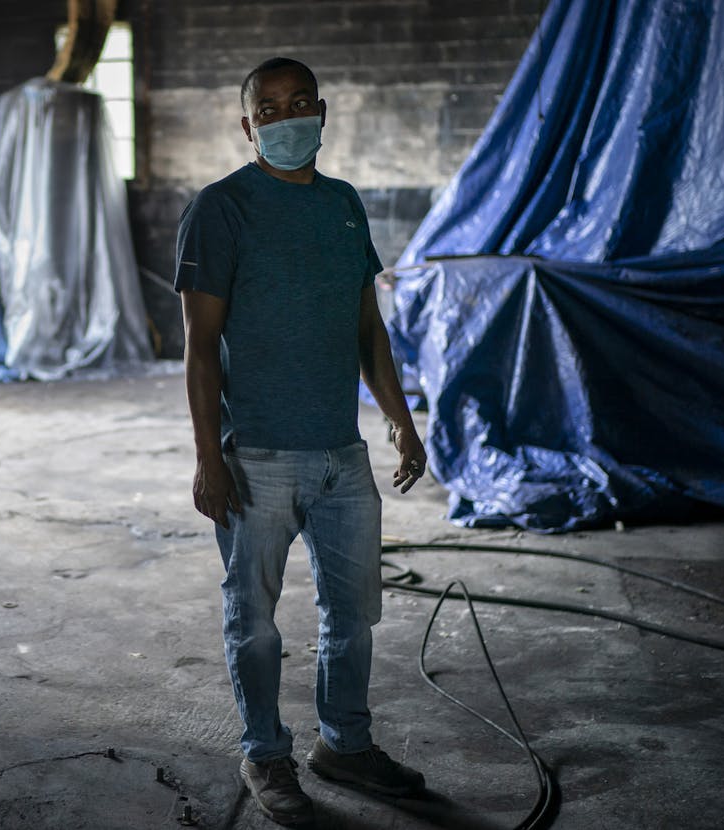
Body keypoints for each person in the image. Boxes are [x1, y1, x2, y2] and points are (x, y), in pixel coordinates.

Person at [174, 56, 429, 826]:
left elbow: (367, 329)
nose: (286, 118)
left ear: (323, 111)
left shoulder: (345, 206)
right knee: (253, 619)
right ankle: (265, 751)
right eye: (269, 108)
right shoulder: (221, 210)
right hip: (256, 458)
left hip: (340, 458)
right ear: (248, 125)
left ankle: (344, 745)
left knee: (353, 615)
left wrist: (400, 418)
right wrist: (208, 457)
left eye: (300, 104)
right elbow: (197, 344)